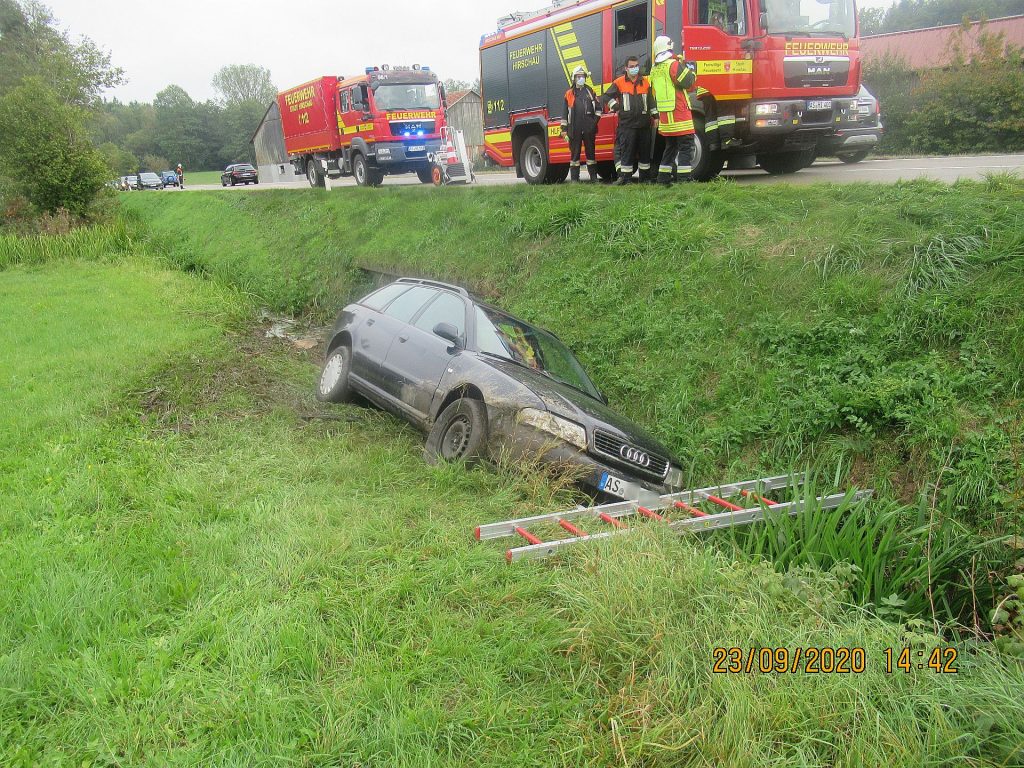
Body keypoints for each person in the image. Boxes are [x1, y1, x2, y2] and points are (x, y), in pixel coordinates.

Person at [649, 36, 698, 186]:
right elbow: (688, 82)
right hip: (679, 114)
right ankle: (684, 179)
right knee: (686, 146)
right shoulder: (674, 65)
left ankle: (663, 178)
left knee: (670, 147)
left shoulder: (654, 69)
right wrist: (690, 69)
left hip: (665, 118)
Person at [603, 56, 656, 185]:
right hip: (627, 125)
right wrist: (616, 107)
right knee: (627, 152)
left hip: (644, 125)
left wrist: (656, 117)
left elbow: (651, 102)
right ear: (626, 68)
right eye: (631, 66)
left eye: (636, 66)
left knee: (645, 153)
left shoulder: (645, 82)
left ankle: (645, 179)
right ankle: (625, 179)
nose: (635, 69)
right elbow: (605, 96)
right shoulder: (619, 82)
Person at [563, 66, 601, 183]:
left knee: (591, 153)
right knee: (575, 155)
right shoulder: (569, 94)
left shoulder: (591, 91)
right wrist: (564, 129)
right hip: (574, 129)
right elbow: (564, 113)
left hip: (589, 128)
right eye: (578, 77)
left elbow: (598, 109)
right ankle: (574, 179)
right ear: (574, 78)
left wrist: (594, 123)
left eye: (582, 76)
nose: (581, 79)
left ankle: (593, 178)